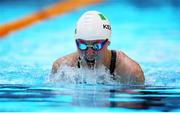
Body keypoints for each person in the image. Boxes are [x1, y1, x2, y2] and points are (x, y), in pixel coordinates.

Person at [51, 10, 145, 84]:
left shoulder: (130, 72)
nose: (89, 53)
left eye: (96, 46)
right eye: (83, 45)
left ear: (108, 42)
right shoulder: (61, 68)